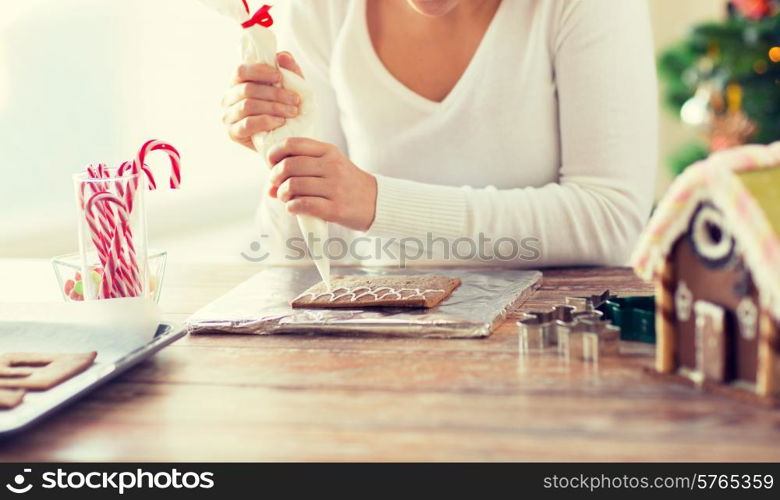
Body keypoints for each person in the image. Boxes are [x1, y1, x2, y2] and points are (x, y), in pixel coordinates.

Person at [221, 0, 658, 267]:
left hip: (552, 342)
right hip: (388, 352)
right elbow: (300, 258)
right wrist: (280, 151)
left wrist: (377, 202)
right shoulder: (322, 9)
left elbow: (612, 220)